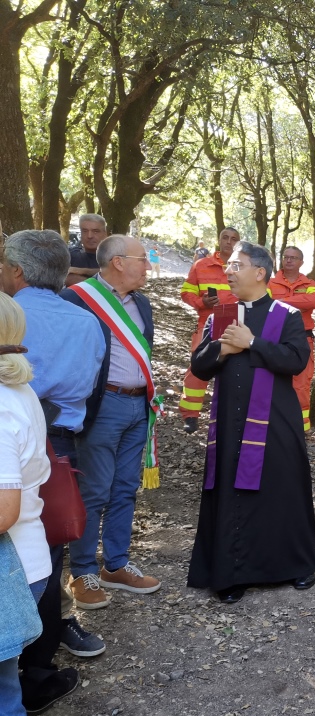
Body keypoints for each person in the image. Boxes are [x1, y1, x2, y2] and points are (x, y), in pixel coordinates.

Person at [2, 230, 106, 714]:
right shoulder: (86, 321)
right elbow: (96, 389)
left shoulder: (13, 318)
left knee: (21, 552)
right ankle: (36, 671)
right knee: (47, 552)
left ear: (18, 271)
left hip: (19, 438)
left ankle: (20, 672)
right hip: (61, 440)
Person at [187, 241, 315, 604]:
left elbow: (295, 360)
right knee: (233, 492)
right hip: (231, 421)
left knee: (283, 489)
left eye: (237, 264)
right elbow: (200, 365)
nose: (228, 271)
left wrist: (253, 343)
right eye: (229, 265)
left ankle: (295, 565)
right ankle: (232, 571)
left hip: (276, 420)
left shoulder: (287, 315)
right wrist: (223, 349)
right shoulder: (221, 316)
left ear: (260, 272)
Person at [60, 235, 162, 608]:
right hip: (103, 407)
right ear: (118, 262)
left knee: (125, 488)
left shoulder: (143, 304)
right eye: (142, 259)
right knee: (95, 490)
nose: (147, 266)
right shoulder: (76, 299)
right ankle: (82, 570)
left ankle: (115, 564)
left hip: (140, 407)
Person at [0, 294, 53, 716]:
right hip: (27, 561)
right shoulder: (19, 390)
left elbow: (3, 510)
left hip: (8, 570)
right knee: (4, 704)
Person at [179, 228, 241, 432]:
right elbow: (186, 292)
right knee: (197, 369)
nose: (229, 242)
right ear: (219, 239)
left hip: (236, 323)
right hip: (208, 321)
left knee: (234, 370)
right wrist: (201, 302)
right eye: (225, 237)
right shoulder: (202, 265)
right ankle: (190, 416)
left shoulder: (245, 266)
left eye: (234, 239)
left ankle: (231, 415)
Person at [268, 246, 315, 432]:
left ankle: (299, 428)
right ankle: (274, 426)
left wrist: (279, 301)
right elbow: (265, 303)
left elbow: (311, 302)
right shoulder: (269, 283)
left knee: (301, 384)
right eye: (286, 257)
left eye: (293, 258)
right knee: (273, 382)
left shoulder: (310, 284)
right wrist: (297, 302)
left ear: (301, 262)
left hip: (302, 340)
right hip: (275, 338)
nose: (289, 260)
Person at [65, 214, 107, 287]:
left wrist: (80, 271)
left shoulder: (114, 256)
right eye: (85, 231)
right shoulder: (68, 255)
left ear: (105, 234)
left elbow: (112, 274)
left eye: (95, 231)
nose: (89, 236)